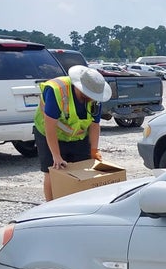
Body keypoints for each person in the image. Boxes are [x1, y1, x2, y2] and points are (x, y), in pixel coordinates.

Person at [33, 65, 112, 200]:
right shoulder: (57, 91)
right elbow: (49, 126)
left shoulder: (95, 98)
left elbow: (94, 125)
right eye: (90, 95)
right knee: (52, 173)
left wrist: (94, 150)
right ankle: (50, 208)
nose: (92, 98)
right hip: (50, 134)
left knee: (84, 171)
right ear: (80, 87)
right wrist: (56, 156)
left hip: (78, 137)